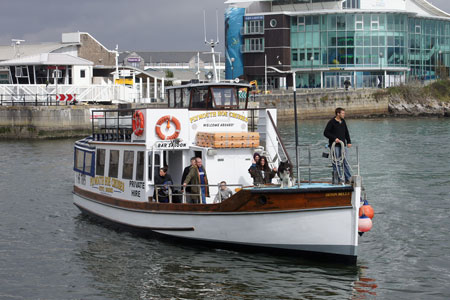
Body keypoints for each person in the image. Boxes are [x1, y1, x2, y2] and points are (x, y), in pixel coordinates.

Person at [323, 107, 352, 184]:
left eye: (344, 113)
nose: (344, 115)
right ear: (338, 114)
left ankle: (348, 178)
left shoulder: (343, 121)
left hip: (343, 146)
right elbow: (326, 133)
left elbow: (346, 132)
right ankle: (338, 179)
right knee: (336, 163)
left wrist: (349, 141)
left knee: (346, 162)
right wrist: (334, 138)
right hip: (335, 146)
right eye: (342, 113)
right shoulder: (331, 122)